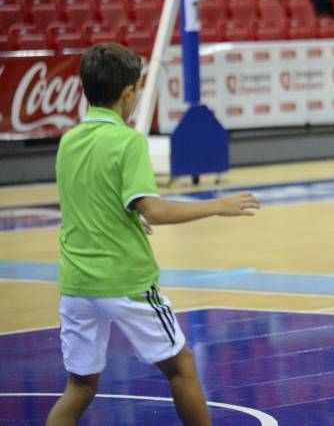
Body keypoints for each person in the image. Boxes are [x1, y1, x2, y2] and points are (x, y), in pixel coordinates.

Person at [46, 43, 261, 426]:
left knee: (80, 386)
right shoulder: (128, 141)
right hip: (125, 282)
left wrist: (124, 216)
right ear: (128, 93)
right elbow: (154, 209)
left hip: (76, 283)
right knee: (182, 366)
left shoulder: (69, 141)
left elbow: (89, 201)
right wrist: (216, 205)